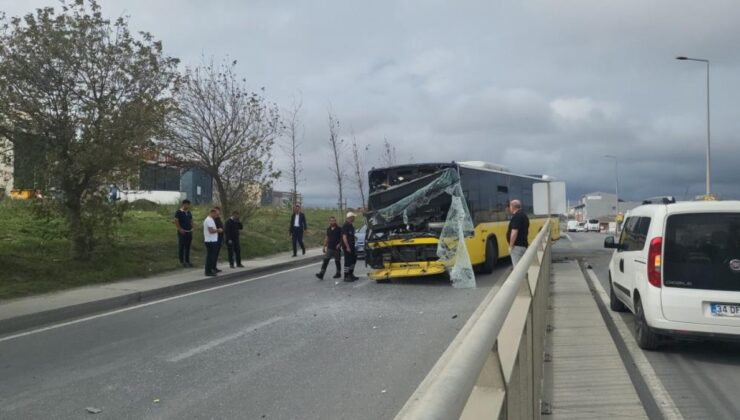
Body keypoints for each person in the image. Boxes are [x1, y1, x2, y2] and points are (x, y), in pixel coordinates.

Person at [315, 216, 343, 280]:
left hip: (336, 248)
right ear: (329, 221)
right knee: (325, 261)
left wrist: (340, 244)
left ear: (335, 221)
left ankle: (338, 273)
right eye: (331, 221)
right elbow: (327, 238)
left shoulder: (339, 229)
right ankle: (321, 274)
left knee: (337, 261)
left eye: (333, 220)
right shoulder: (328, 229)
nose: (332, 222)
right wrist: (324, 246)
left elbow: (342, 238)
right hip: (329, 248)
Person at [506, 199, 530, 267]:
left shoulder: (517, 216)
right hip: (523, 245)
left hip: (517, 247)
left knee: (517, 268)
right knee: (522, 268)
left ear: (513, 207)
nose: (509, 208)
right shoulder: (524, 216)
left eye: (510, 206)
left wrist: (511, 246)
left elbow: (514, 233)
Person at [203, 208, 223, 276]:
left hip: (212, 240)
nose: (216, 216)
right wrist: (218, 230)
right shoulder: (209, 220)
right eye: (216, 214)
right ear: (212, 213)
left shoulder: (211, 219)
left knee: (211, 256)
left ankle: (210, 270)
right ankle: (208, 271)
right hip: (210, 241)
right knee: (210, 257)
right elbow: (211, 231)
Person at [174, 199, 193, 267]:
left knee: (188, 247)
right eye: (186, 204)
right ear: (183, 204)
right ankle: (182, 261)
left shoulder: (189, 212)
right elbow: (176, 221)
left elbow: (191, 220)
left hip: (189, 231)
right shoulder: (178, 212)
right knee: (182, 246)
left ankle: (187, 261)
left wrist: (193, 227)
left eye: (188, 204)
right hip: (182, 231)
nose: (187, 205)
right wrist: (180, 229)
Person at [341, 212, 359, 282]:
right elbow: (344, 237)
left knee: (353, 260)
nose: (354, 218)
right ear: (350, 218)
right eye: (353, 217)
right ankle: (346, 276)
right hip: (347, 246)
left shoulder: (351, 225)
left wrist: (354, 237)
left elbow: (350, 235)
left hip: (352, 245)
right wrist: (347, 247)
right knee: (348, 261)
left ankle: (351, 274)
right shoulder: (345, 226)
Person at [213, 206, 225, 272]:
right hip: (215, 239)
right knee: (213, 254)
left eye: (218, 211)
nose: (218, 212)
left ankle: (214, 267)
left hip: (220, 238)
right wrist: (218, 230)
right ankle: (212, 267)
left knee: (216, 254)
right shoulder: (213, 220)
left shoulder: (219, 219)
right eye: (216, 211)